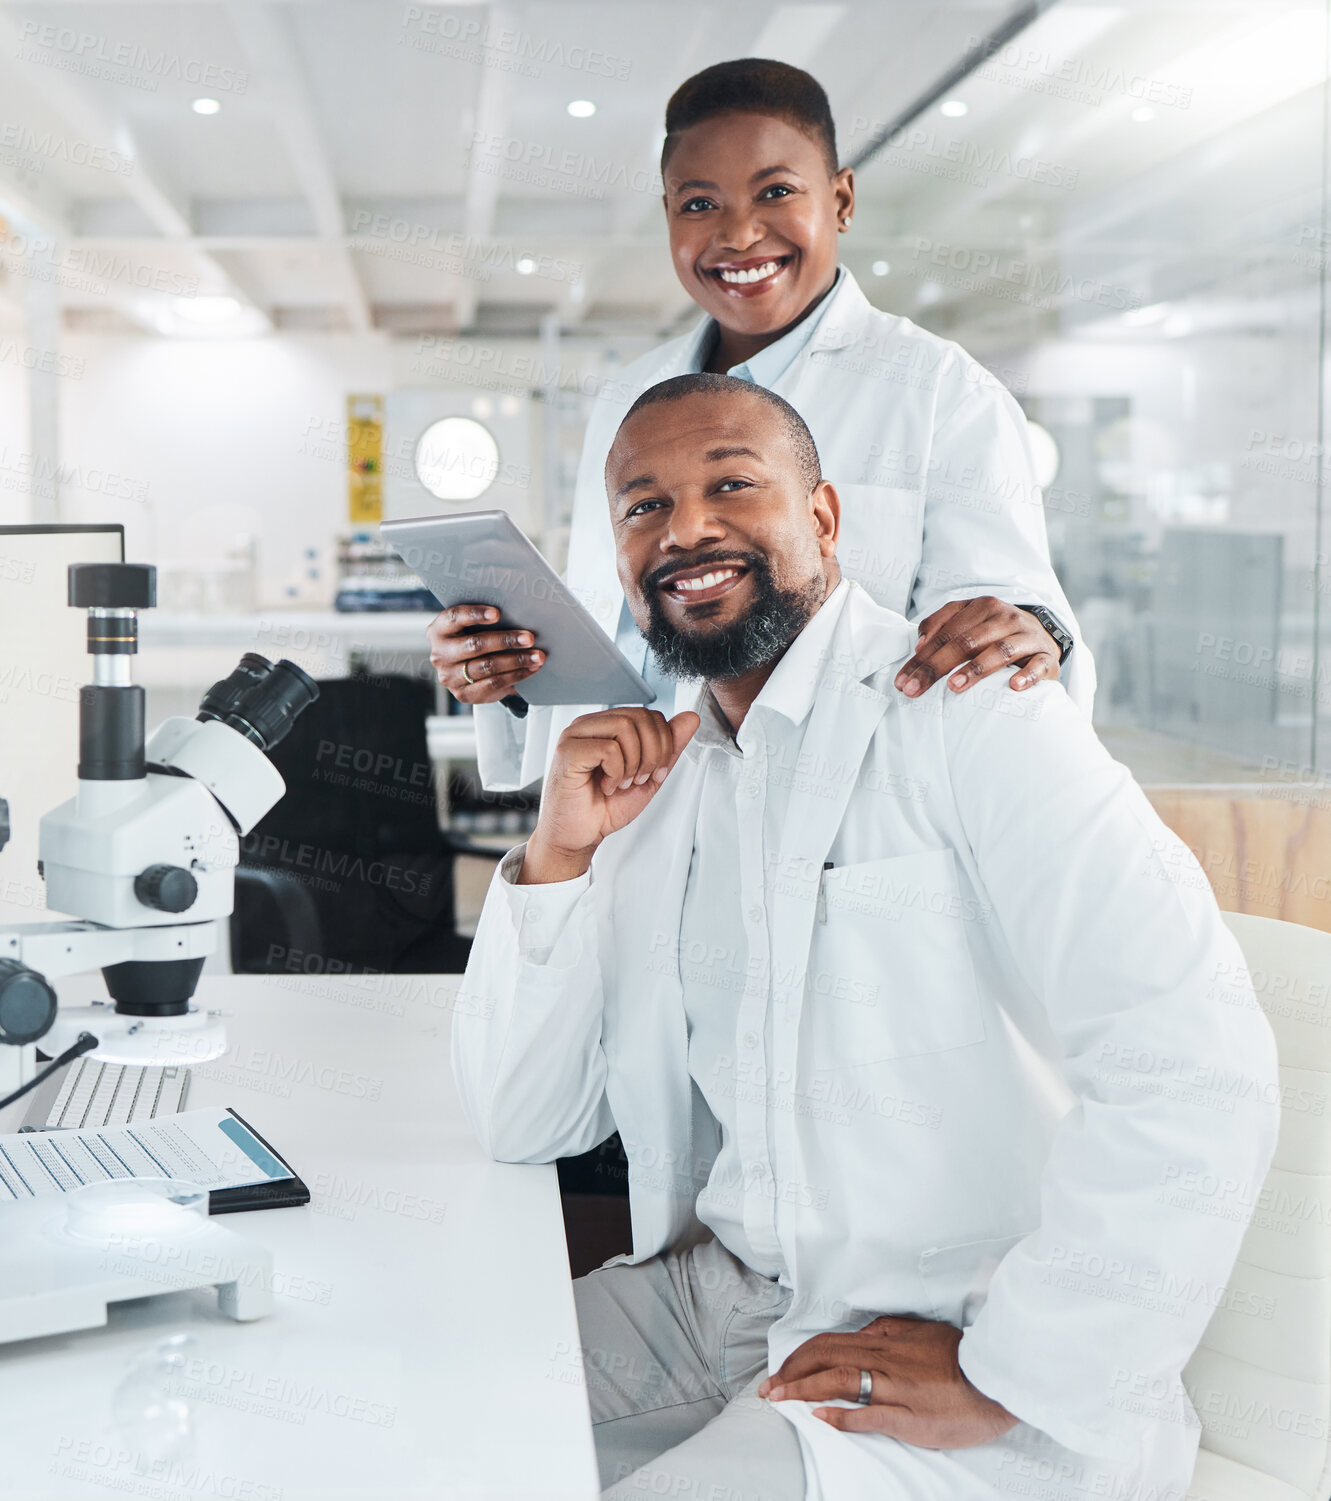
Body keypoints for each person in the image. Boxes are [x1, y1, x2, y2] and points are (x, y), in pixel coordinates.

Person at [451, 374, 1279, 1501]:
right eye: (642, 506)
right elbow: (523, 1118)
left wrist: (1015, 1372)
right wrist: (558, 860)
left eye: (730, 484)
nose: (684, 527)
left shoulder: (975, 709)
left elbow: (1189, 1056)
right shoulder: (667, 777)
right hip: (722, 1298)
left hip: (947, 1337)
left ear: (824, 519)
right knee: (398, 1395)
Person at [427, 58, 1093, 793]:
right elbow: (619, 631)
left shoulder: (940, 390)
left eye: (775, 191)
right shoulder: (629, 396)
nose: (738, 235)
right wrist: (514, 672)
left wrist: (1034, 631)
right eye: (698, 204)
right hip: (638, 810)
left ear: (840, 199)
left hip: (832, 810)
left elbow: (1008, 624)